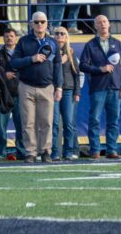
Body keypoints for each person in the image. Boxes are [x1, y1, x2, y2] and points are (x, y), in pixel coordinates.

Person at [9, 11, 63, 162]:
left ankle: (46, 151)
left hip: (47, 87)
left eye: (42, 22)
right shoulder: (23, 41)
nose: (40, 24)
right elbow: (14, 63)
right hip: (26, 86)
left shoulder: (53, 42)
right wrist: (31, 59)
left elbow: (58, 65)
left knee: (46, 121)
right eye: (37, 22)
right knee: (28, 122)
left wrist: (59, 86)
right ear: (31, 23)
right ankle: (30, 152)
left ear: (47, 24)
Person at [79, 14, 121, 159]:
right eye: (99, 22)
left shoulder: (118, 43)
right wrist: (100, 69)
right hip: (98, 88)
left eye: (105, 21)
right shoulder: (90, 45)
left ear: (109, 24)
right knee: (94, 119)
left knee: (113, 120)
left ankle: (111, 150)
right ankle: (95, 150)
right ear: (95, 26)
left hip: (115, 87)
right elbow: (83, 65)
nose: (102, 24)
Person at [0, 27, 22, 160]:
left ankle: (22, 151)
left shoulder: (22, 54)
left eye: (11, 36)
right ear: (3, 38)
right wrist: (4, 75)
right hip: (2, 95)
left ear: (16, 38)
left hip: (20, 93)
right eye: (7, 36)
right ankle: (0, 152)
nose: (9, 38)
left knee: (22, 125)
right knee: (1, 127)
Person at [51, 25, 81, 160]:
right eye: (57, 33)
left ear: (66, 37)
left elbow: (76, 74)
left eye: (62, 33)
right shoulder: (49, 51)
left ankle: (68, 152)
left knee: (69, 122)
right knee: (55, 122)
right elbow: (46, 70)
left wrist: (77, 92)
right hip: (53, 90)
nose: (59, 36)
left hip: (68, 90)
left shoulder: (71, 52)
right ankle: (55, 152)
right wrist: (59, 62)